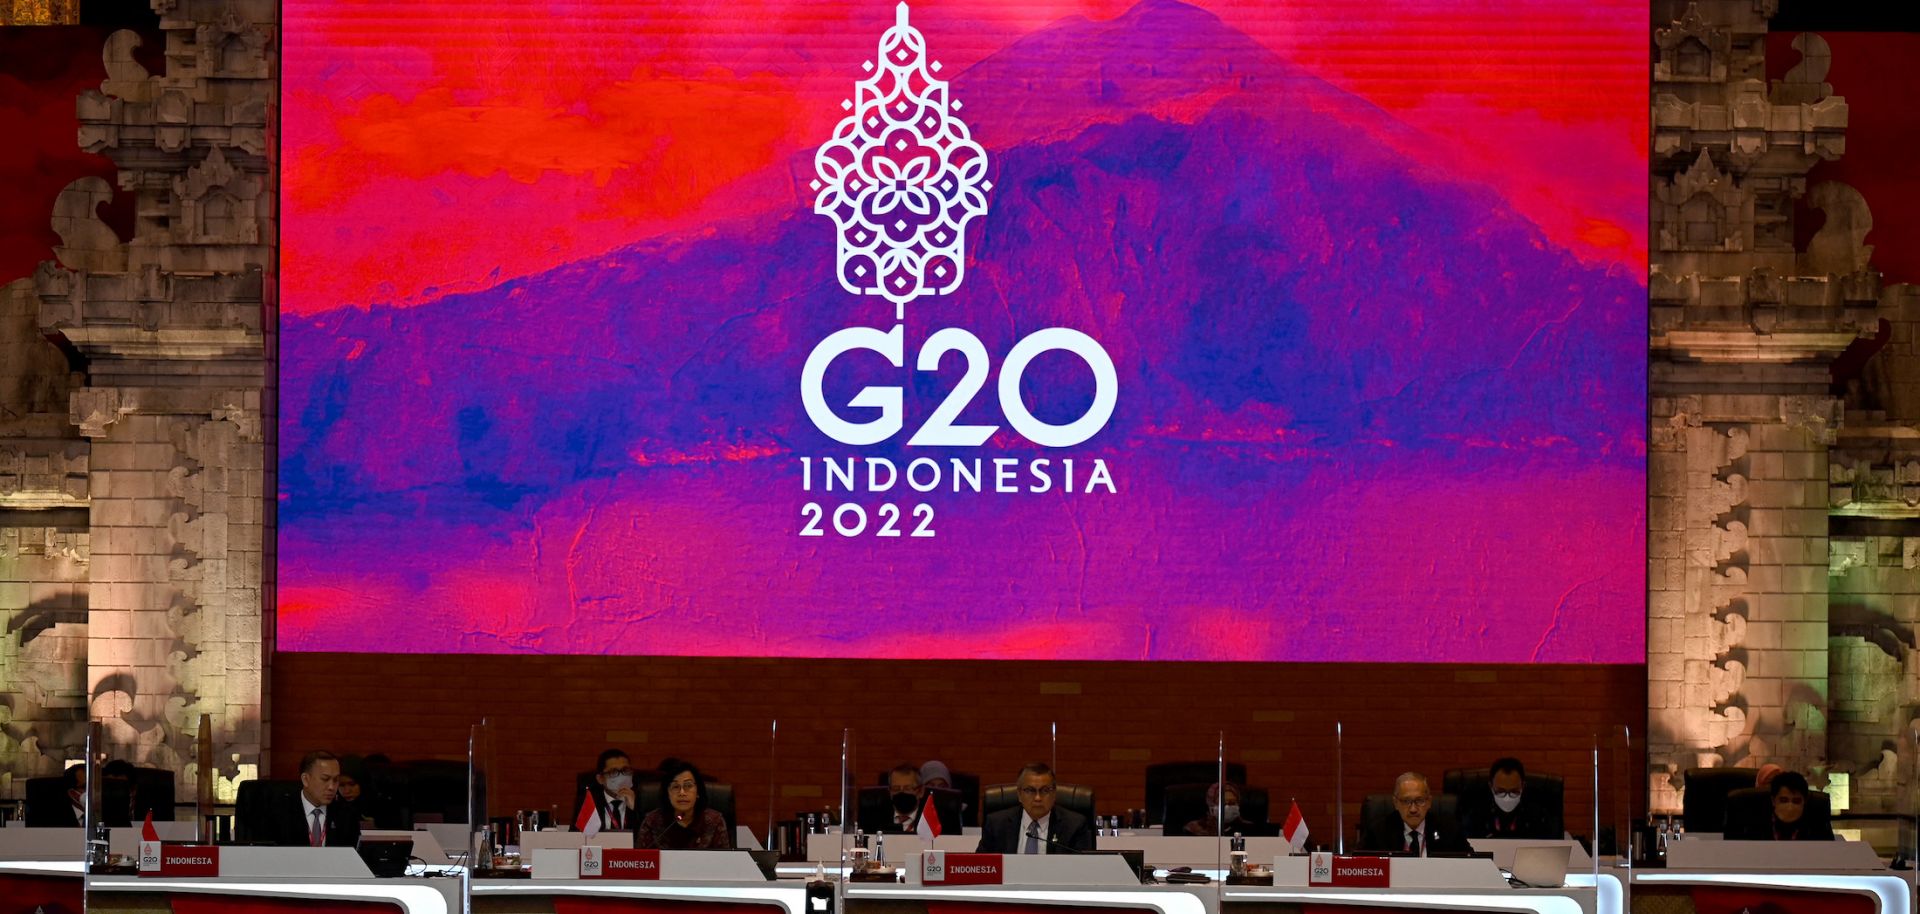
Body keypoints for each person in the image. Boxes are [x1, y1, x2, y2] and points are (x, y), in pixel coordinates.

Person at [976, 762, 1095, 853]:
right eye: (1030, 790)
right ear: (1019, 794)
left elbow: (1084, 870)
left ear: (1054, 794)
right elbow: (980, 867)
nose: (1038, 798)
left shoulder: (1074, 826)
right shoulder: (997, 824)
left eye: (1045, 790)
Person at [1358, 772, 1469, 855]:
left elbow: (1472, 863)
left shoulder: (1449, 831)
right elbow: (1359, 866)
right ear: (1396, 803)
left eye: (1420, 801)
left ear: (1429, 802)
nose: (1413, 809)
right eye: (1406, 801)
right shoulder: (1378, 832)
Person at [268, 750, 360, 847]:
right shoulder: (278, 812)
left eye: (336, 780)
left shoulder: (347, 814)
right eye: (325, 779)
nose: (332, 787)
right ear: (305, 779)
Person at [635, 760, 730, 849]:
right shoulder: (652, 822)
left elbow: (726, 862)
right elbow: (641, 861)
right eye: (675, 787)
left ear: (698, 792)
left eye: (688, 786)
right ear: (667, 793)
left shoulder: (714, 822)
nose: (682, 792)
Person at [1459, 758, 1556, 839]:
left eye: (1514, 791)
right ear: (1491, 786)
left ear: (1523, 786)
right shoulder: (1476, 814)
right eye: (1501, 791)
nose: (1507, 797)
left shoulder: (1538, 816)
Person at [1727, 771, 1834, 841]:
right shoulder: (1755, 824)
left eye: (1796, 801)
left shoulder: (1816, 824)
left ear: (1804, 801)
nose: (1790, 806)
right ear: (1773, 801)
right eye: (1784, 800)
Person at [576, 749, 640, 834]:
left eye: (625, 770)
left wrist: (635, 809)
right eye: (613, 772)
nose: (621, 776)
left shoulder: (642, 801)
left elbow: (648, 838)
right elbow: (576, 837)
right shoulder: (589, 803)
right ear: (600, 779)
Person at [1183, 781, 1271, 837]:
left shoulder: (1250, 830)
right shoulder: (1194, 830)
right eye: (1223, 803)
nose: (1228, 807)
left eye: (1232, 803)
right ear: (1211, 805)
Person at [883, 763, 924, 833]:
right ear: (890, 792)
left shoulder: (933, 821)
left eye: (907, 789)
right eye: (896, 789)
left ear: (921, 791)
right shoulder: (874, 820)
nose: (902, 793)